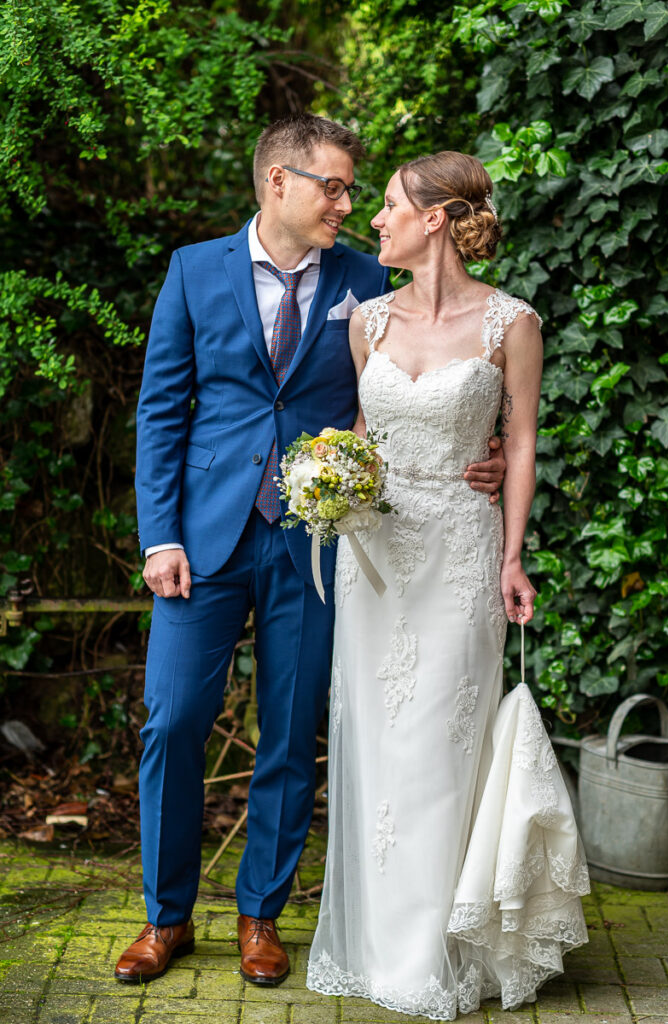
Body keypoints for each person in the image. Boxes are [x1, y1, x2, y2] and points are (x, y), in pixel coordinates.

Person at [114, 117, 505, 986]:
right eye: (332, 186)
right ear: (277, 183)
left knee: (291, 733)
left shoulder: (371, 280)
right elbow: (161, 411)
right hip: (204, 540)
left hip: (321, 544)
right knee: (173, 722)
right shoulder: (192, 271)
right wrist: (159, 535)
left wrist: (492, 447)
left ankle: (261, 916)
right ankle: (165, 917)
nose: (348, 204)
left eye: (353, 190)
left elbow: (447, 364)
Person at [307, 152, 589, 1019]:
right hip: (377, 561)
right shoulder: (367, 322)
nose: (373, 218)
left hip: (463, 557)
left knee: (441, 747)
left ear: (435, 218)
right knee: (378, 746)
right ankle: (377, 943)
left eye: (387, 204)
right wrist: (329, 476)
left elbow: (523, 442)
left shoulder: (512, 324)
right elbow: (363, 429)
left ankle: (436, 950)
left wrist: (510, 556)